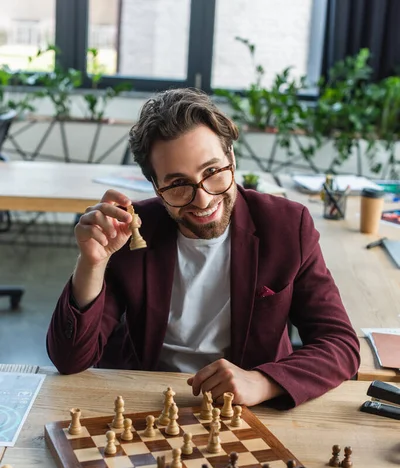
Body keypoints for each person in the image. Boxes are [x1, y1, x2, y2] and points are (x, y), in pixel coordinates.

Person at [46, 88, 360, 409]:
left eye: (212, 172)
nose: (203, 200)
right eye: (179, 184)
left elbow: (339, 344)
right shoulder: (130, 232)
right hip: (147, 403)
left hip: (249, 409)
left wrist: (264, 381)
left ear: (232, 159)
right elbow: (69, 360)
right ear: (156, 186)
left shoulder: (287, 226)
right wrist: (91, 263)